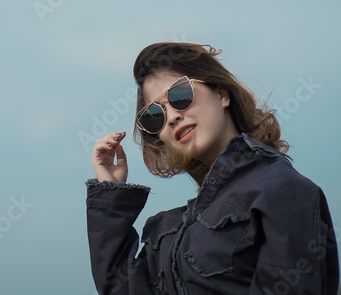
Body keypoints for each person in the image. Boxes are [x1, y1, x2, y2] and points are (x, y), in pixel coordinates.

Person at [85, 41, 339, 294]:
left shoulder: (282, 191)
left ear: (221, 94)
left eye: (179, 95)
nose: (172, 117)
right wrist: (110, 192)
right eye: (155, 115)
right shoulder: (170, 230)